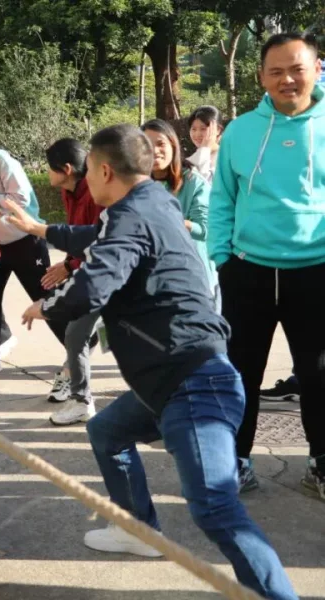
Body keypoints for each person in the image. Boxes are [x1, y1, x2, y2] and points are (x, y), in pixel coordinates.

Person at [9, 124, 298, 600]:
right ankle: (138, 530)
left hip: (194, 383)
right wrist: (43, 230)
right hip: (168, 381)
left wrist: (48, 304)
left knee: (214, 508)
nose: (86, 179)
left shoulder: (131, 215)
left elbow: (94, 286)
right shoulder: (153, 200)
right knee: (107, 432)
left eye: (89, 171)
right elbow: (94, 234)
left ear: (105, 171)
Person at [209, 32, 325, 499]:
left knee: (318, 375)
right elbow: (222, 197)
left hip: (316, 272)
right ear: (261, 77)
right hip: (247, 271)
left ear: (317, 70)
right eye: (276, 71)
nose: (287, 79)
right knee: (239, 373)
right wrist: (221, 258)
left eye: (297, 69)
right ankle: (236, 460)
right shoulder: (240, 131)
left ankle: (320, 463)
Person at [0, 120, 66, 377]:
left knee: (45, 297)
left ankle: (76, 349)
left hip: (25, 240)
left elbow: (21, 199)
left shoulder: (3, 162)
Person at [41, 138, 104, 425]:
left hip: (107, 274)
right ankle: (81, 399)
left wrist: (70, 266)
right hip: (89, 270)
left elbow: (100, 241)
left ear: (66, 169)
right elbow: (75, 234)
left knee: (80, 334)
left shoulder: (95, 192)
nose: (47, 173)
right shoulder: (70, 191)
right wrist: (69, 264)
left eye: (49, 167)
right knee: (77, 334)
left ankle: (80, 397)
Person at [141, 119, 218, 308]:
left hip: (193, 283)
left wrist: (171, 222)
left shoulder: (193, 182)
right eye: (147, 145)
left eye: (160, 144)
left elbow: (205, 230)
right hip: (153, 282)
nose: (155, 151)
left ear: (173, 146)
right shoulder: (136, 185)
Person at [186, 105, 223, 183]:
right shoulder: (192, 158)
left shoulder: (226, 156)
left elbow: (203, 183)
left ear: (218, 130)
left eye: (203, 129)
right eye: (193, 129)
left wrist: (205, 149)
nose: (197, 134)